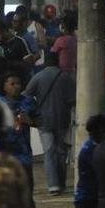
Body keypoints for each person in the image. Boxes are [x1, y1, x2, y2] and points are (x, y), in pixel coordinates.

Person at [23, 58, 76, 195]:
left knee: (49, 152)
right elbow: (73, 99)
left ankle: (53, 185)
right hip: (62, 120)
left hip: (44, 120)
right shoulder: (66, 77)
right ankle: (61, 183)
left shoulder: (38, 77)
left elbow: (26, 96)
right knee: (61, 151)